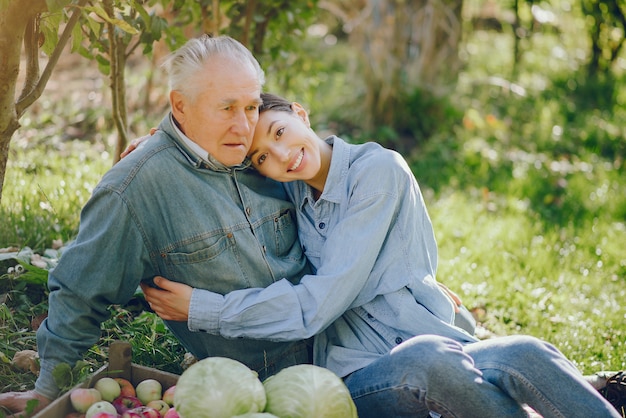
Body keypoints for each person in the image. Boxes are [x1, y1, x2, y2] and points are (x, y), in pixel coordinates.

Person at [141, 92, 622, 417]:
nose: (280, 155)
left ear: (302, 114)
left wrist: (207, 310)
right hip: (359, 373)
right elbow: (216, 173)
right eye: (264, 156)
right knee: (432, 359)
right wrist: (160, 151)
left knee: (527, 351)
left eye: (280, 132)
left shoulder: (378, 172)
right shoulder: (293, 194)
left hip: (432, 338)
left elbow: (319, 301)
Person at [0, 36, 314, 417]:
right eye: (226, 108)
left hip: (348, 340)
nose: (244, 125)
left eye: (250, 106)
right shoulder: (136, 190)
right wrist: (48, 390)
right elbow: (81, 289)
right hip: (261, 386)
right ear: (180, 106)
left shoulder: (267, 151)